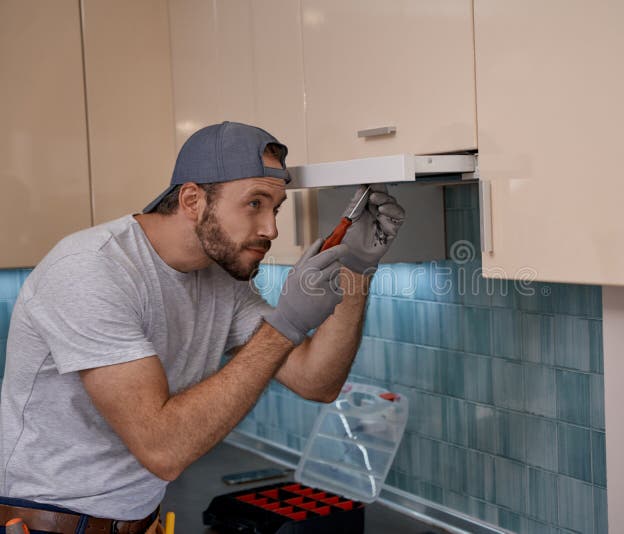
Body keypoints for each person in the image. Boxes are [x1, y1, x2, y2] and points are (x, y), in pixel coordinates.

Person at [0, 121, 405, 533]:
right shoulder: (92, 270)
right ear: (192, 200)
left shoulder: (219, 277)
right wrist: (284, 325)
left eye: (276, 208)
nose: (271, 228)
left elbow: (316, 381)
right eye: (255, 204)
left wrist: (355, 269)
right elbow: (162, 448)